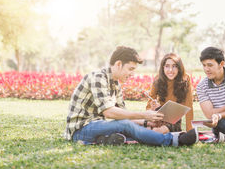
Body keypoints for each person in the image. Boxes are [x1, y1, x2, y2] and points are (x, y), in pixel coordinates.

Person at [65, 46, 198, 147]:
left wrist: (147, 122)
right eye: (130, 69)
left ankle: (105, 139)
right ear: (118, 64)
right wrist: (144, 115)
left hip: (99, 126)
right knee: (125, 126)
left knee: (129, 127)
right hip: (81, 129)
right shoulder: (98, 77)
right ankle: (173, 140)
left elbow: (125, 115)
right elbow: (110, 112)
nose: (132, 74)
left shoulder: (115, 84)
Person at [146, 53, 194, 133]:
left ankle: (152, 132)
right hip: (159, 117)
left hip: (174, 121)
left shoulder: (186, 79)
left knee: (159, 130)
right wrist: (153, 108)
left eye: (174, 66)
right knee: (142, 125)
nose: (170, 70)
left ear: (179, 68)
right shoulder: (158, 79)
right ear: (163, 68)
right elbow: (148, 108)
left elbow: (189, 105)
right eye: (167, 66)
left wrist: (189, 131)